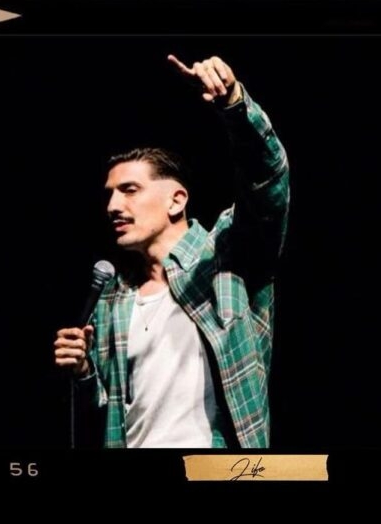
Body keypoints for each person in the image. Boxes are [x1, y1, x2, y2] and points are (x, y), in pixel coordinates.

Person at [54, 54, 290, 449]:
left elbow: (268, 182)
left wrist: (234, 104)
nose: (113, 206)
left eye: (130, 190)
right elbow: (107, 413)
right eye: (110, 194)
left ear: (176, 200)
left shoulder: (228, 257)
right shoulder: (113, 297)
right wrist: (82, 372)